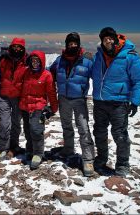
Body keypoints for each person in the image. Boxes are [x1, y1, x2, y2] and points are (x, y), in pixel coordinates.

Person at [91, 27, 140, 177]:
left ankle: (122, 164)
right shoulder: (98, 57)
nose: (108, 41)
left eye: (110, 38)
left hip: (119, 103)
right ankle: (101, 158)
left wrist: (135, 101)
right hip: (100, 101)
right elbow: (90, 74)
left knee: (120, 134)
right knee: (99, 132)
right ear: (101, 41)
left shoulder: (129, 56)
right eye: (104, 39)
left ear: (115, 39)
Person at [50, 32, 95, 177]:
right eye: (70, 44)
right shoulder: (59, 60)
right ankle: (68, 149)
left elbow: (100, 76)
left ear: (79, 44)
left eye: (75, 43)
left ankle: (88, 159)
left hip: (79, 99)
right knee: (66, 125)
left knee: (83, 128)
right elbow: (48, 74)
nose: (73, 46)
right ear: (66, 45)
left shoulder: (87, 62)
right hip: (63, 98)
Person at [19, 50, 58, 169]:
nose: (35, 63)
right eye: (33, 60)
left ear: (41, 61)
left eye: (37, 61)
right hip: (25, 106)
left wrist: (53, 108)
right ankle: (30, 149)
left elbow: (51, 92)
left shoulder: (46, 75)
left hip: (39, 106)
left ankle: (38, 153)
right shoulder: (26, 72)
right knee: (27, 130)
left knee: (36, 130)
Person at [0, 38, 28, 161]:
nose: (16, 49)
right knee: (4, 124)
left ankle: (13, 147)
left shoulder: (26, 62)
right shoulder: (3, 60)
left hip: (18, 97)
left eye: (19, 47)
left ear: (23, 49)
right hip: (3, 96)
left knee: (15, 123)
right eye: (14, 46)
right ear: (10, 47)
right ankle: (3, 148)